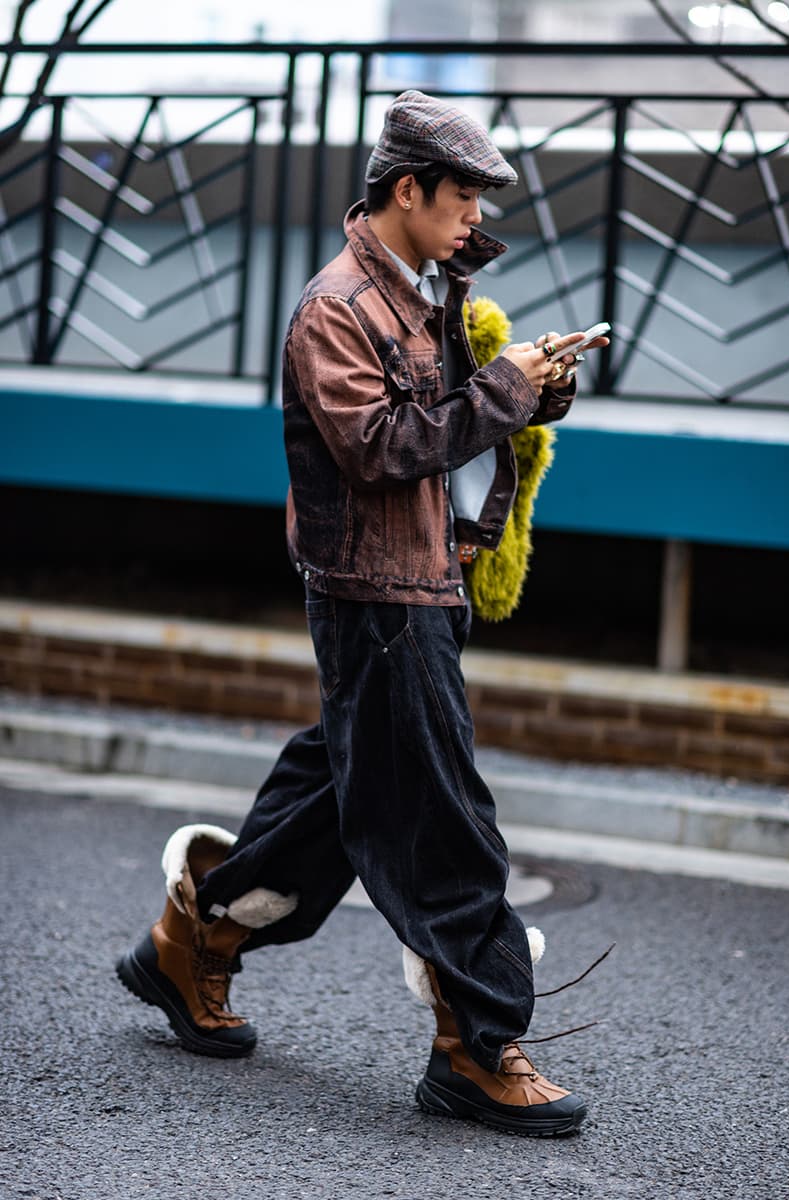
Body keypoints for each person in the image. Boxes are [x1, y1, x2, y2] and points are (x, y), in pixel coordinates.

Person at [116, 89, 608, 1137]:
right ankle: (475, 1049)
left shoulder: (426, 290)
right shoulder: (336, 305)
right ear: (404, 189)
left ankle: (190, 942)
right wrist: (501, 394)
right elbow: (382, 448)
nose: (474, 215)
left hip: (422, 578)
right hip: (376, 594)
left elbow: (446, 422)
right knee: (444, 824)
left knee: (335, 798)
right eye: (461, 194)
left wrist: (530, 383)